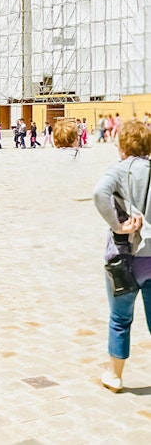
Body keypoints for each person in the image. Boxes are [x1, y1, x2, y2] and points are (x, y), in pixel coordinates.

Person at [92, 120, 151, 393]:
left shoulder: (116, 170)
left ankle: (115, 376)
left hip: (122, 258)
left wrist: (118, 224)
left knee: (119, 319)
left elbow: (98, 192)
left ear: (123, 146)